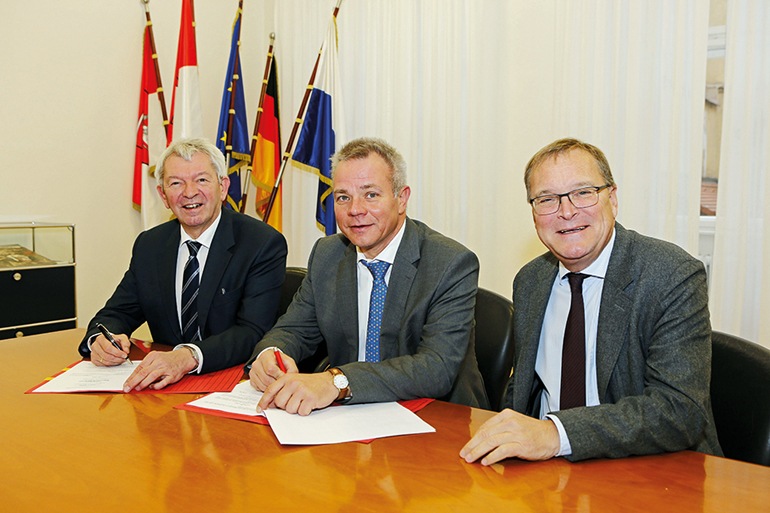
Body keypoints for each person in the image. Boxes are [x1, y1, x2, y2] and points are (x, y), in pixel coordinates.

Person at [461, 138, 722, 464]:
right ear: (533, 212)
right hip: (545, 471)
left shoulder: (670, 275)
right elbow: (525, 387)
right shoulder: (531, 280)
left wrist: (556, 434)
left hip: (647, 469)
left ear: (612, 199)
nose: (567, 211)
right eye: (547, 199)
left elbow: (679, 410)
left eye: (583, 193)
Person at [247, 137, 488, 415]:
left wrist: (336, 382)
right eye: (343, 197)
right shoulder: (328, 254)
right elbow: (293, 329)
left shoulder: (450, 263)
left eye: (371, 194)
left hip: (436, 418)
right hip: (348, 415)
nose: (355, 210)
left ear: (402, 198)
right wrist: (269, 356)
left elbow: (435, 367)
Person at [79, 138, 287, 392]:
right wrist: (101, 340)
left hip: (232, 383)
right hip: (163, 390)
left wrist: (188, 357)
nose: (189, 192)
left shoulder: (262, 243)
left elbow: (254, 331)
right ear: (163, 196)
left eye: (201, 180)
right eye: (176, 183)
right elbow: (116, 313)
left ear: (223, 188)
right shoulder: (150, 245)